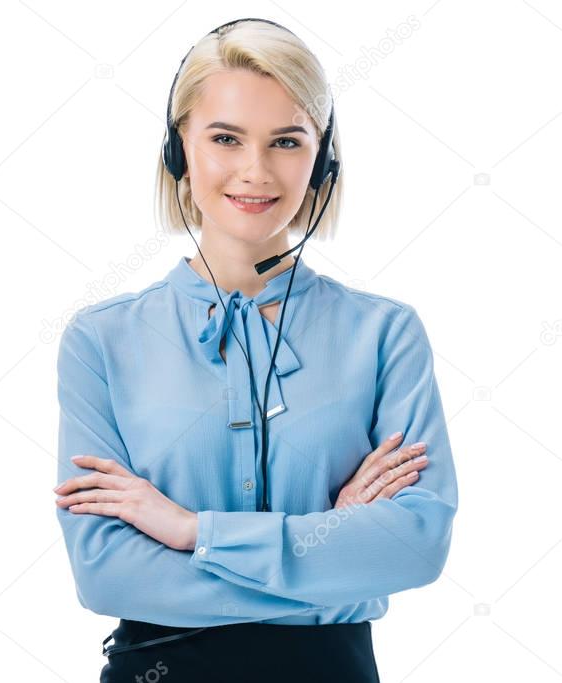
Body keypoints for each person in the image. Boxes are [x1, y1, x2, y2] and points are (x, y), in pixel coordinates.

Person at [52, 18, 458, 682]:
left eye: (286, 141)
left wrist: (190, 531)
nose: (256, 170)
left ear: (321, 159)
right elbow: (106, 572)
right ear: (179, 149)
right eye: (224, 138)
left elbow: (412, 548)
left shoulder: (385, 334)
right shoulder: (101, 339)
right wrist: (330, 552)